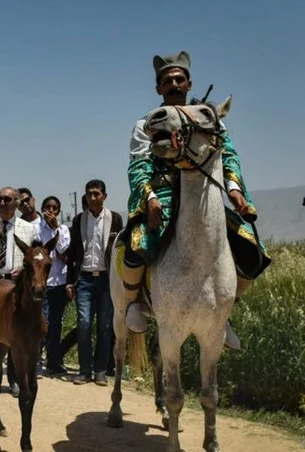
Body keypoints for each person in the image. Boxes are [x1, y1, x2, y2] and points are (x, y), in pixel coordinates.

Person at [121, 51, 271, 350]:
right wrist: (149, 197)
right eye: (167, 81)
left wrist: (235, 189)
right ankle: (134, 301)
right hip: (162, 193)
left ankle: (223, 313)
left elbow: (227, 155)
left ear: (189, 83)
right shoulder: (147, 123)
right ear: (158, 88)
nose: (174, 84)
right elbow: (139, 165)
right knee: (136, 245)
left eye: (179, 79)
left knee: (252, 252)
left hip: (204, 196)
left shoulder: (208, 117)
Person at [0, 187, 40, 397]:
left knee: (17, 334)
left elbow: (35, 257)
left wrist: (23, 270)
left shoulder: (28, 229)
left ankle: (14, 379)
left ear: (16, 203)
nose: (2, 203)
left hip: (16, 283)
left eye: (7, 199)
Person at [66, 180, 123, 386]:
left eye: (96, 194)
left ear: (104, 196)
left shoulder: (115, 219)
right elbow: (73, 252)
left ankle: (100, 371)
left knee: (106, 326)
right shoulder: (79, 220)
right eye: (89, 194)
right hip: (84, 279)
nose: (92, 198)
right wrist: (69, 282)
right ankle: (85, 370)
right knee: (84, 324)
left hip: (107, 280)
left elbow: (120, 251)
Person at [37, 196, 72, 376]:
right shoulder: (36, 229)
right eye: (48, 207)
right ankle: (36, 360)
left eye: (55, 208)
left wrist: (56, 228)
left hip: (59, 281)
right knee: (42, 322)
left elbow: (65, 252)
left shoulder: (63, 229)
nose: (51, 211)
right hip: (42, 282)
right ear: (42, 209)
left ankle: (53, 361)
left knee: (56, 324)